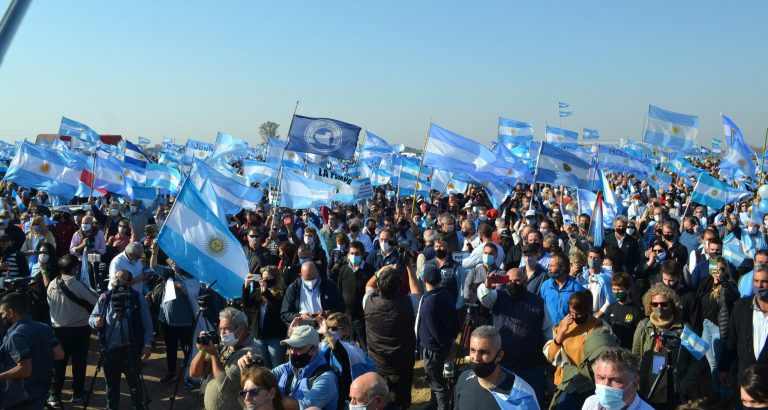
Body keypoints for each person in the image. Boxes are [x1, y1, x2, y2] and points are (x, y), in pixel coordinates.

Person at [477, 268, 550, 404]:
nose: (513, 283)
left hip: (532, 366)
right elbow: (484, 298)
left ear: (525, 281)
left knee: (532, 402)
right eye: (509, 281)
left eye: (517, 280)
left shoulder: (538, 302)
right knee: (504, 401)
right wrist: (487, 284)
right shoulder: (497, 296)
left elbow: (548, 331)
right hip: (504, 365)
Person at [632, 283, 707, 409]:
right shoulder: (643, 326)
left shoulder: (684, 328)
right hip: (648, 388)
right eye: (655, 304)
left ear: (672, 305)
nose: (659, 308)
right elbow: (635, 355)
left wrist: (684, 384)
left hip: (674, 390)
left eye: (664, 304)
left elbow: (699, 359)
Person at [89, 269, 153, 410]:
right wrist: (96, 321)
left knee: (135, 385)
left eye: (122, 278)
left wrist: (148, 344)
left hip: (131, 349)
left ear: (128, 282)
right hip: (110, 349)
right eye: (115, 277)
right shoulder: (105, 297)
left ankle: (138, 406)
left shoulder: (137, 298)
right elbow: (91, 318)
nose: (117, 280)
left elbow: (147, 323)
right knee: (111, 386)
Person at [363, 265, 421, 408]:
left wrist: (381, 270)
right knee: (400, 403)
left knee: (378, 401)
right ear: (400, 287)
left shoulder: (369, 302)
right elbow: (417, 292)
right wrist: (409, 268)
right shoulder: (409, 304)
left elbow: (369, 285)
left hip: (377, 363)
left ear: (379, 288)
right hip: (401, 364)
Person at [46, 254, 98, 405]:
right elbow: (95, 301)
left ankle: (54, 395)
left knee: (58, 363)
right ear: (75, 268)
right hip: (78, 329)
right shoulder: (76, 284)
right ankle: (78, 393)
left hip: (57, 329)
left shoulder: (52, 283)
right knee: (79, 362)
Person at [544, 291, 610, 409]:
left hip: (587, 384)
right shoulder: (565, 323)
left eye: (578, 314)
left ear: (587, 311)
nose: (574, 316)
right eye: (571, 312)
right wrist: (562, 332)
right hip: (566, 382)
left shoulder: (598, 327)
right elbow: (551, 356)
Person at [190, 306, 264, 410]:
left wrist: (213, 354)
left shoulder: (251, 352)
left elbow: (224, 384)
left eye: (226, 329)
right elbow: (194, 373)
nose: (222, 333)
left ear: (241, 328)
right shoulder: (225, 346)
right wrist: (202, 350)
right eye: (220, 329)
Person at [0, 292, 64, 409]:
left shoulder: (16, 335)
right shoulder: (44, 327)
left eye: (2, 313)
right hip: (40, 394)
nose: (2, 317)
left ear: (10, 313)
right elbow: (59, 354)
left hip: (20, 397)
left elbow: (25, 370)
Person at [454, 325, 539, 409]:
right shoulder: (463, 379)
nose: (476, 358)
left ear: (499, 356)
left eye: (483, 352)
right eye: (472, 350)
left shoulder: (522, 397)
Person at [417, 263, 459, 410]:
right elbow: (454, 319)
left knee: (436, 380)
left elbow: (435, 331)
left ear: (424, 280)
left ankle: (442, 407)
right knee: (434, 379)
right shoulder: (446, 295)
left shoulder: (429, 304)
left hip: (433, 348)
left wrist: (444, 344)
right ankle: (433, 403)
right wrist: (451, 339)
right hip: (442, 345)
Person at [718, 267, 768, 391]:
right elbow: (732, 340)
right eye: (756, 281)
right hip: (746, 379)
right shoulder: (742, 307)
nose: (759, 286)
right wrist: (724, 367)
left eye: (764, 282)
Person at [696, 255, 739, 399]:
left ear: (725, 271)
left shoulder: (728, 285)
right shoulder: (706, 283)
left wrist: (724, 283)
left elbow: (734, 295)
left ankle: (725, 397)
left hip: (718, 327)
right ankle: (717, 393)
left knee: (721, 365)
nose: (717, 272)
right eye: (714, 269)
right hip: (706, 325)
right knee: (712, 364)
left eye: (720, 269)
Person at [270, 325, 340, 410]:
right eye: (291, 347)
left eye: (298, 348)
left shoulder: (326, 378)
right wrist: (252, 368)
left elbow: (303, 407)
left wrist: (270, 396)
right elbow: (266, 376)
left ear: (314, 349)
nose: (293, 352)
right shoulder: (289, 367)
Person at [243, 266, 288, 368]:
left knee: (277, 366)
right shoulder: (259, 291)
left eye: (268, 278)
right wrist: (246, 287)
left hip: (275, 337)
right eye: (263, 278)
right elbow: (248, 305)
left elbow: (278, 309)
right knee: (264, 366)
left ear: (275, 277)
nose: (265, 280)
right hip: (259, 337)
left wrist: (266, 293)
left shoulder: (282, 293)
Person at [582, 347, 654, 410]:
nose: (605, 386)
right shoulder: (590, 403)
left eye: (615, 380)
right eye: (601, 378)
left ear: (635, 383)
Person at [335, 241, 374, 349]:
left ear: (362, 255)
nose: (353, 256)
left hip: (362, 316)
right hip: (346, 316)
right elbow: (339, 290)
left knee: (365, 346)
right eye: (351, 253)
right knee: (347, 346)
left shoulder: (369, 270)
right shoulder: (343, 269)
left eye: (357, 254)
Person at [280, 261, 345, 324]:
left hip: (325, 326)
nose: (310, 282)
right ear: (301, 275)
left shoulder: (329, 285)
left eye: (313, 278)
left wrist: (328, 313)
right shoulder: (293, 288)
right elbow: (285, 314)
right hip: (302, 329)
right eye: (307, 279)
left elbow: (341, 307)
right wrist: (299, 316)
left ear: (318, 272)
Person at [540, 253, 586, 324]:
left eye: (552, 266)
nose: (548, 268)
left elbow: (582, 314)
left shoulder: (577, 288)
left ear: (563, 267)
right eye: (549, 265)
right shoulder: (545, 286)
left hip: (571, 332)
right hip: (549, 333)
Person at [603, 272, 644, 349]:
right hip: (613, 350)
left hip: (629, 351)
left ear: (628, 290)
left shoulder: (636, 311)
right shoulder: (610, 308)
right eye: (614, 289)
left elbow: (640, 336)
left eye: (619, 289)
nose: (616, 292)